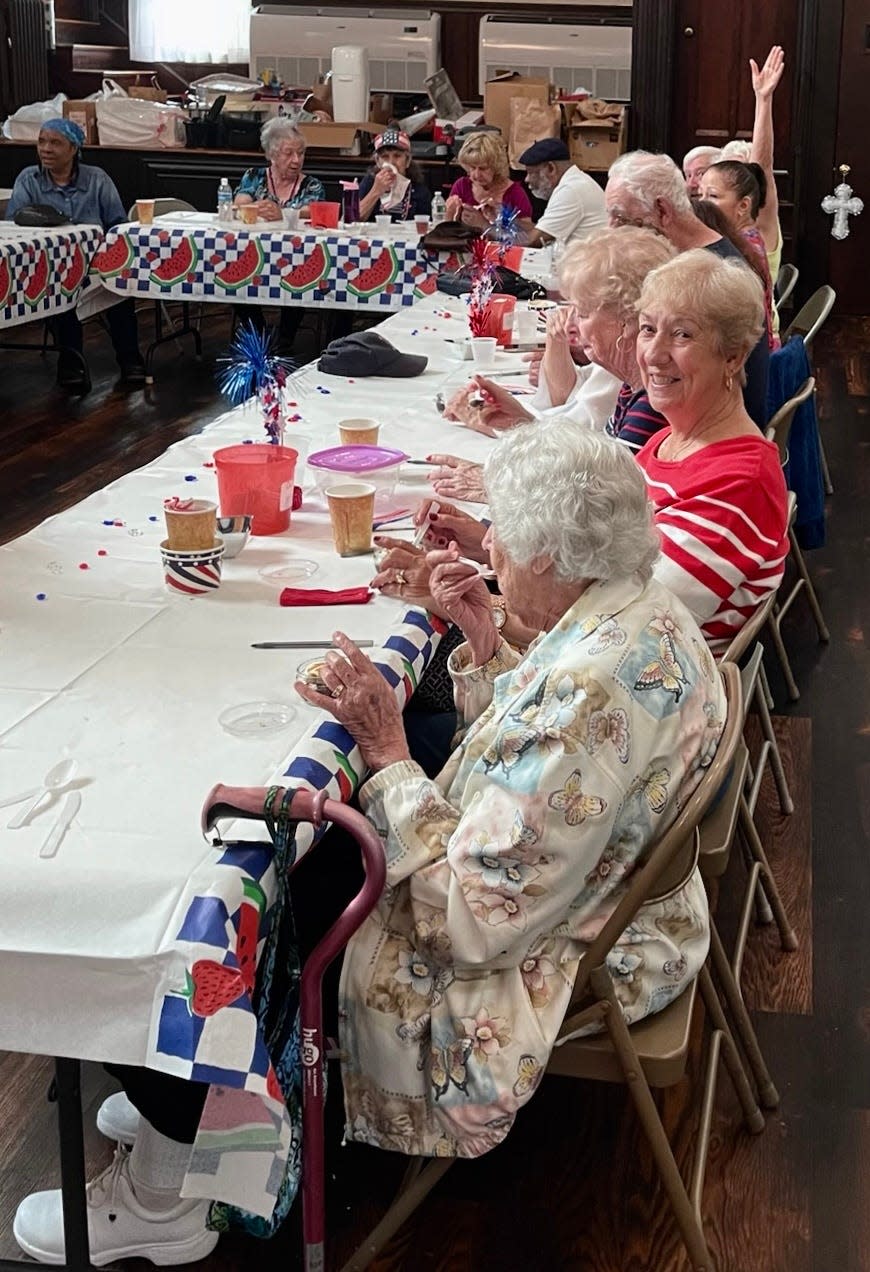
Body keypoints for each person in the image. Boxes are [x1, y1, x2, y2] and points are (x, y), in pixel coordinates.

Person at [301, 424, 725, 1159]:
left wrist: (386, 753)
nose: (486, 551)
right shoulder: (637, 605)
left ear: (548, 555)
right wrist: (488, 642)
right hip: (614, 898)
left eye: (499, 533)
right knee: (347, 822)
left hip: (577, 955)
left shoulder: (587, 697)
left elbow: (467, 922)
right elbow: (545, 770)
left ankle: (213, 1135)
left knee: (297, 889)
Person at [634, 248, 789, 653]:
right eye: (648, 328)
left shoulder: (739, 481)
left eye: (682, 334)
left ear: (733, 357)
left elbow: (640, 621)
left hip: (653, 685)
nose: (653, 353)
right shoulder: (671, 438)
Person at [441, 227, 673, 453]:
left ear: (627, 320)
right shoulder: (631, 387)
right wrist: (519, 422)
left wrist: (486, 484)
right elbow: (596, 456)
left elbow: (612, 485)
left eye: (582, 312)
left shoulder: (653, 400)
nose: (572, 323)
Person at [604, 150, 770, 426]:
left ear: (662, 210)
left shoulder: (707, 274)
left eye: (621, 219)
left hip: (711, 431)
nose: (612, 231)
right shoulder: (703, 251)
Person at [6, 118, 145, 389]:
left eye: (55, 143)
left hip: (96, 264)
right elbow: (16, 226)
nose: (46, 149)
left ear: (74, 149)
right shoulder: (29, 179)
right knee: (58, 291)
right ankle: (70, 363)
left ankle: (131, 361)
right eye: (41, 141)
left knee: (121, 290)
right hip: (50, 265)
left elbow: (117, 225)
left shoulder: (97, 180)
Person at [695, 163, 778, 346]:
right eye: (700, 194)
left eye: (713, 195)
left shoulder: (741, 250)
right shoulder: (737, 239)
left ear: (743, 205)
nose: (702, 203)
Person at [517, 138, 607, 248]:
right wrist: (504, 220)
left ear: (551, 168)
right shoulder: (575, 181)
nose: (526, 179)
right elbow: (542, 229)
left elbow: (532, 240)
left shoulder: (571, 190)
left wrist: (490, 230)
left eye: (531, 173)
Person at [233, 118, 324, 221]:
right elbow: (238, 206)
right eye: (288, 153)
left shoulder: (312, 185)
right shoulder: (254, 176)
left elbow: (312, 211)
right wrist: (256, 209)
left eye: (300, 153)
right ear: (272, 155)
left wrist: (282, 214)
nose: (296, 160)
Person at [444, 131, 533, 232]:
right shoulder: (462, 186)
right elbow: (447, 229)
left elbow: (528, 234)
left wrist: (499, 217)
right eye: (472, 168)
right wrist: (450, 213)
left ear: (496, 167)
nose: (476, 175)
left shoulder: (515, 193)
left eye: (483, 168)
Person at [357, 129, 432, 222]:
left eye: (397, 156)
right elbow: (352, 220)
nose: (391, 162)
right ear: (377, 162)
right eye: (385, 157)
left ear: (407, 161)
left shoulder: (418, 189)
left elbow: (425, 225)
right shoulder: (369, 182)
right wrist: (376, 191)